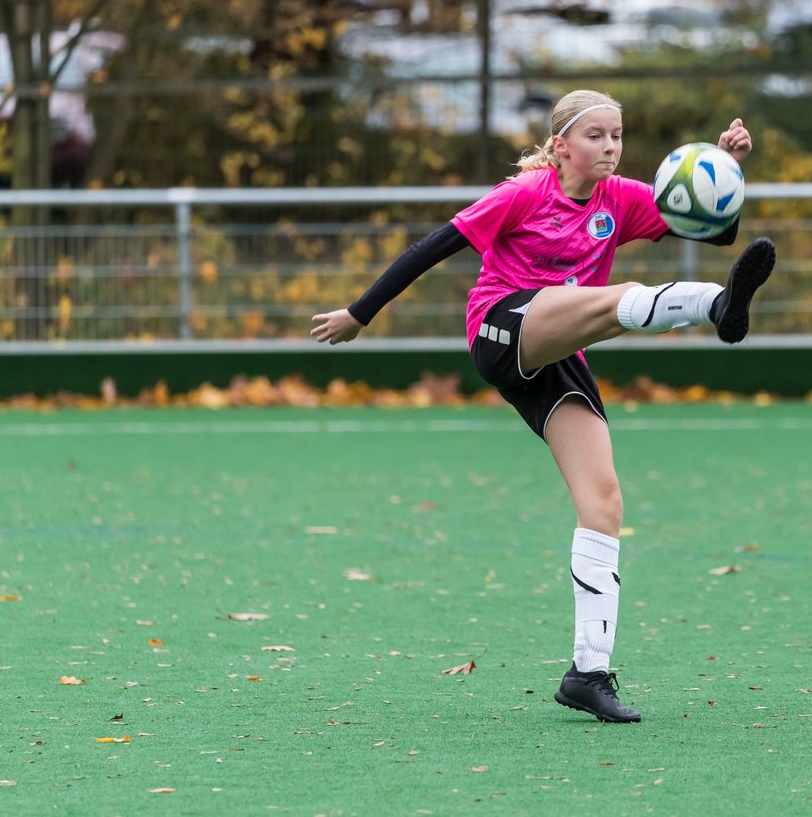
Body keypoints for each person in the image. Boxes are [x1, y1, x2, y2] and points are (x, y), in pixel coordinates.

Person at [311, 90, 774, 724]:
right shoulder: (524, 193)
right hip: (502, 329)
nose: (610, 146)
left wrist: (723, 171)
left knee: (604, 502)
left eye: (617, 134)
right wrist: (359, 313)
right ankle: (716, 309)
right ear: (561, 146)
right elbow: (433, 247)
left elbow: (716, 231)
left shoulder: (625, 198)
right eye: (596, 136)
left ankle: (589, 672)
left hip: (558, 351)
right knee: (615, 298)